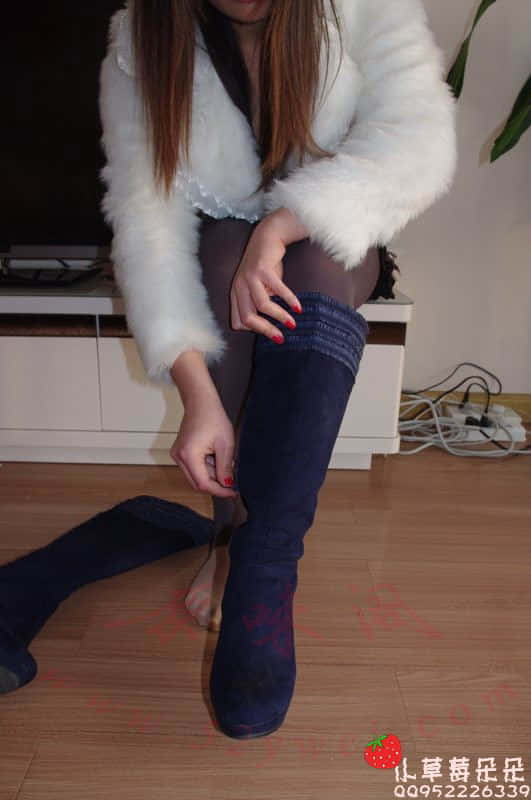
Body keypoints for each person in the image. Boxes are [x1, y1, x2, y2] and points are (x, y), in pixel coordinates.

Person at [0, 0, 457, 741]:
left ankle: (265, 564)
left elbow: (417, 139)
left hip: (328, 233)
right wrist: (198, 396)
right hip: (219, 254)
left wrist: (279, 227)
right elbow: (145, 220)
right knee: (220, 260)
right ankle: (230, 541)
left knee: (316, 258)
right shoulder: (142, 38)